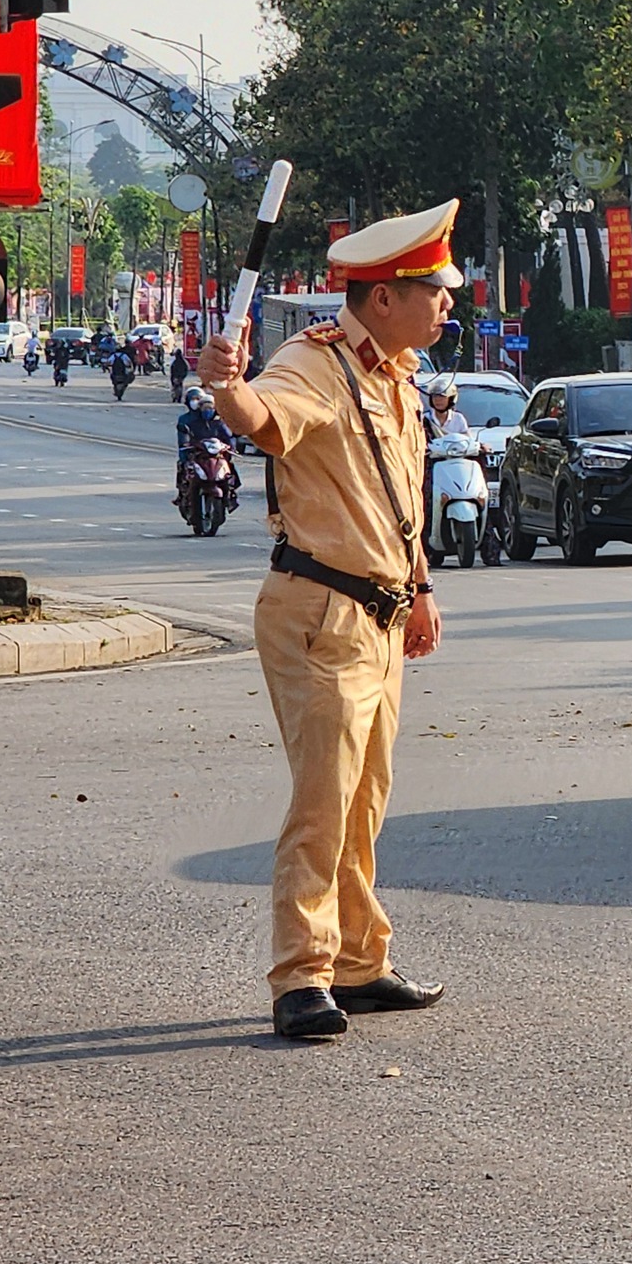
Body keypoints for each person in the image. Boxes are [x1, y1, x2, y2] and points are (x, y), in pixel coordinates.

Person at [198, 200, 457, 1043]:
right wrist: (227, 386)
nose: (448, 303)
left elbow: (394, 494)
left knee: (366, 797)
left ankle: (357, 961)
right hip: (322, 610)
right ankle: (301, 976)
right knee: (324, 798)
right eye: (434, 289)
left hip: (378, 613)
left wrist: (416, 588)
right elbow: (262, 420)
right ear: (384, 297)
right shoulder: (313, 366)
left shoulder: (395, 374)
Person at [175, 385, 236, 510]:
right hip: (197, 455)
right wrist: (188, 448)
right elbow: (184, 438)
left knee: (230, 470)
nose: (207, 409)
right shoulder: (191, 421)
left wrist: (231, 448)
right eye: (204, 406)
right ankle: (182, 494)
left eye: (210, 407)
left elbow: (229, 437)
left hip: (215, 455)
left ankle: (231, 495)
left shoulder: (219, 422)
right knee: (184, 469)